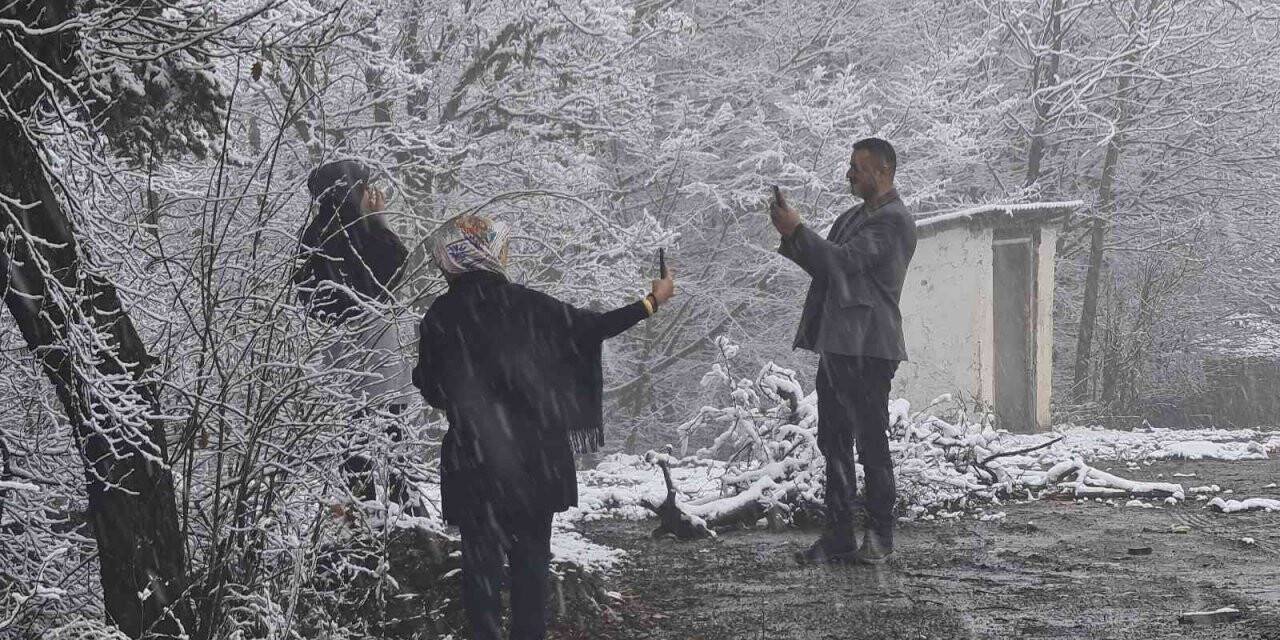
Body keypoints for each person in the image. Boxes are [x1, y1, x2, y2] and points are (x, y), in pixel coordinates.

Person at [414, 214, 675, 640]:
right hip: (536, 461)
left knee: (479, 572)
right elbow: (595, 328)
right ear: (490, 253)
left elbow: (432, 388)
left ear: (453, 257)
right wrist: (651, 301)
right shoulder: (533, 306)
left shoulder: (440, 317)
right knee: (531, 567)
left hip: (473, 460)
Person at [770, 138, 916, 565]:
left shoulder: (894, 221)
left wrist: (795, 231)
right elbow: (826, 264)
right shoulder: (852, 217)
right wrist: (794, 236)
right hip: (839, 345)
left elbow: (842, 264)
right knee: (832, 439)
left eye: (858, 167)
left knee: (871, 440)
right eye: (850, 165)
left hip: (869, 348)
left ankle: (880, 538)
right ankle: (838, 535)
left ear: (883, 170)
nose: (849, 174)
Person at [294, 159, 413, 502]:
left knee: (356, 455)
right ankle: (400, 529)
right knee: (392, 453)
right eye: (364, 189)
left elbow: (308, 297)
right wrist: (380, 223)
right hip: (376, 359)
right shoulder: (358, 230)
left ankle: (364, 529)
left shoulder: (314, 234)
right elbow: (390, 274)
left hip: (341, 364)